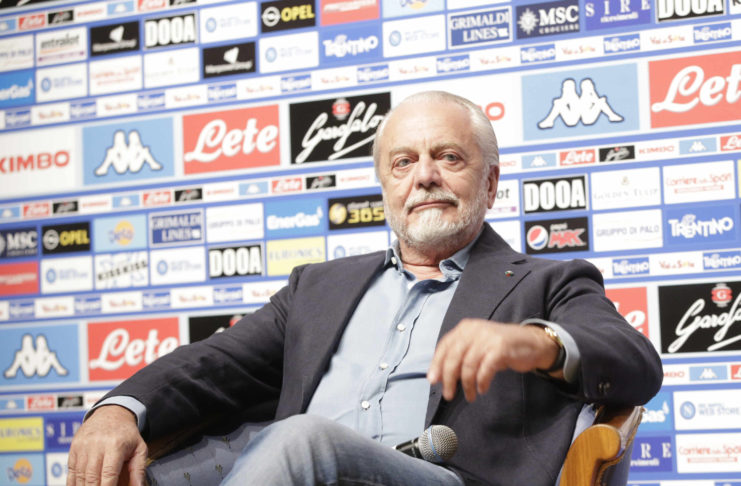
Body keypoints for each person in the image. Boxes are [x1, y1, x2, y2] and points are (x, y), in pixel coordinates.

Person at [68, 91, 662, 486]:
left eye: (448, 157)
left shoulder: (546, 281)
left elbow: (635, 363)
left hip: (443, 477)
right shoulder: (319, 286)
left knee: (303, 441)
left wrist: (538, 343)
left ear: (490, 183)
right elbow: (214, 363)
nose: (424, 175)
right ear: (385, 188)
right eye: (403, 163)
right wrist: (119, 410)